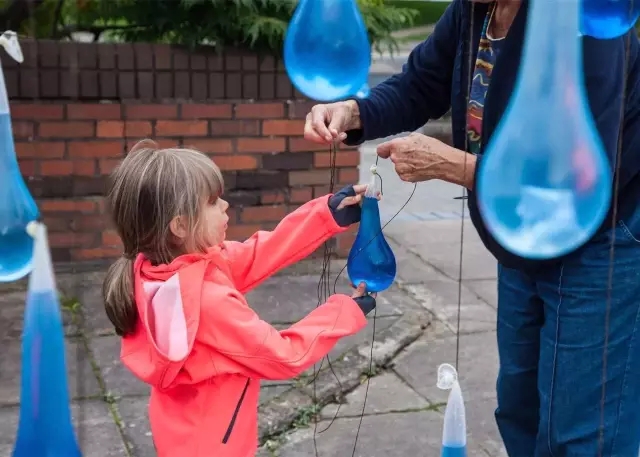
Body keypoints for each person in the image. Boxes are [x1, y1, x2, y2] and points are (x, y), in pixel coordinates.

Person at [304, 1, 640, 456]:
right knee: (519, 408)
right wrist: (354, 112)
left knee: (582, 430)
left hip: (601, 240)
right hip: (519, 236)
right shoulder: (475, 10)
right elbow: (422, 84)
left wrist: (455, 166)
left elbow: (571, 176)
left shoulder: (585, 19)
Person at [101, 139, 376, 457]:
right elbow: (284, 355)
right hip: (215, 448)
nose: (225, 206)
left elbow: (260, 252)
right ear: (180, 225)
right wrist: (345, 311)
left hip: (181, 434)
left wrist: (326, 215)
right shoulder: (208, 302)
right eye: (212, 202)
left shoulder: (156, 268)